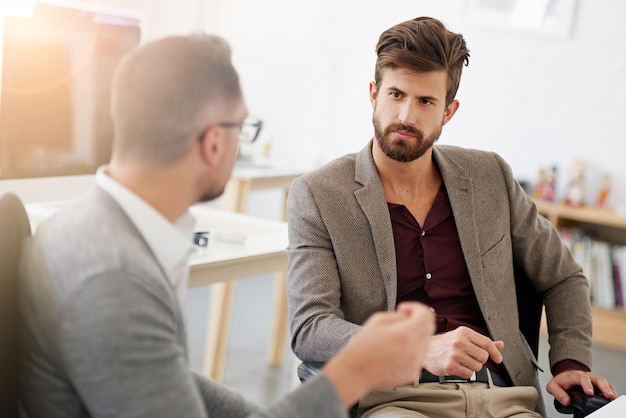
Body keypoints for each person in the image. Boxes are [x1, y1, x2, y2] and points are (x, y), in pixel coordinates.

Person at [18, 33, 437, 418]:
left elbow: (171, 378)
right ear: (213, 142)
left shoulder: (94, 229)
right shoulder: (113, 278)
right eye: (242, 127)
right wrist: (355, 371)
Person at [286, 16, 618, 418]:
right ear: (374, 94)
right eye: (395, 94)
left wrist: (571, 364)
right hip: (393, 399)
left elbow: (563, 275)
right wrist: (421, 348)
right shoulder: (319, 194)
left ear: (449, 111)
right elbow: (311, 328)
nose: (406, 116)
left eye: (425, 101)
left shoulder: (489, 176)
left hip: (505, 400)